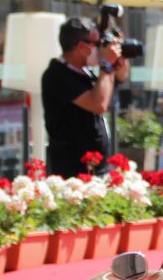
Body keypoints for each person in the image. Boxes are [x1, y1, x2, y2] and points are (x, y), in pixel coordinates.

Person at [41, 17, 127, 177]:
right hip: (73, 171)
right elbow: (99, 104)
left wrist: (118, 59)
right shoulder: (57, 74)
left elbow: (121, 77)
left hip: (97, 167)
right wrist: (106, 64)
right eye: (98, 43)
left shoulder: (87, 72)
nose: (102, 48)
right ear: (81, 46)